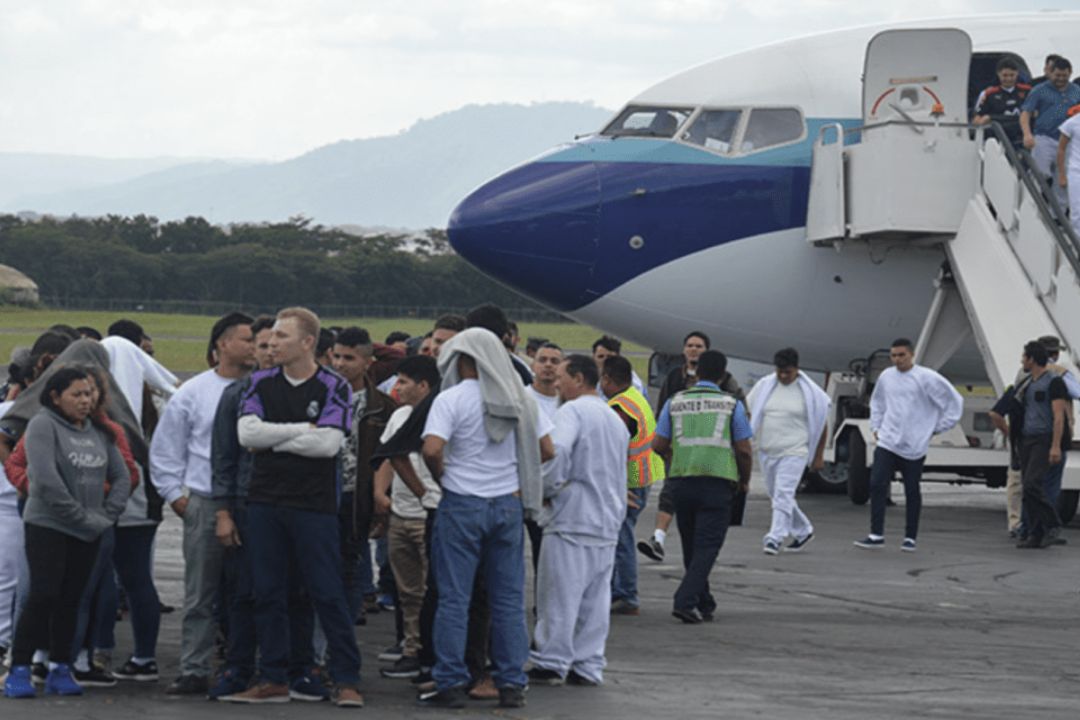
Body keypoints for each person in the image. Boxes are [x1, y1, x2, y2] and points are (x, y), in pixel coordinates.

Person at [230, 307, 364, 707]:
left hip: (314, 506)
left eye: (282, 336)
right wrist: (304, 430)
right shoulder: (259, 382)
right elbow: (246, 435)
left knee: (326, 592)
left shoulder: (334, 385)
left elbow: (328, 444)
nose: (272, 343)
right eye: (271, 336)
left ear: (308, 343)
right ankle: (273, 676)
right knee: (267, 591)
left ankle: (346, 678)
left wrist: (273, 439)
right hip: (265, 501)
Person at [418, 328, 555, 709]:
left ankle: (450, 681)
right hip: (507, 505)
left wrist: (444, 476)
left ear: (462, 360)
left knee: (454, 599)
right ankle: (511, 682)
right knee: (508, 599)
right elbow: (547, 449)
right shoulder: (521, 399)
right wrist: (517, 477)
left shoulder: (450, 399)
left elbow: (432, 449)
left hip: (461, 503)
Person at [3, 368, 131, 699]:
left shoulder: (100, 431)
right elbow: (45, 480)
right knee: (43, 594)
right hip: (48, 525)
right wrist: (82, 518)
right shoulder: (43, 425)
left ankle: (62, 666)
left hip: (89, 529)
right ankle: (20, 668)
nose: (85, 400)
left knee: (72, 598)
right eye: (77, 394)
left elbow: (123, 476)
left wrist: (106, 515)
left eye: (88, 393)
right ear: (55, 397)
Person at [150, 313, 255, 695]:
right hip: (205, 500)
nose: (254, 347)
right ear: (222, 344)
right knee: (200, 593)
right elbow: (166, 450)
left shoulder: (263, 388)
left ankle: (246, 664)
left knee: (251, 590)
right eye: (247, 339)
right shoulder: (194, 392)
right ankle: (194, 667)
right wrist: (177, 497)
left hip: (254, 502)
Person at [529, 354, 629, 686]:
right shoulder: (613, 418)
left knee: (559, 594)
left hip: (572, 516)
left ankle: (552, 657)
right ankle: (588, 662)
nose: (556, 384)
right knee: (595, 599)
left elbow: (557, 451)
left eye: (561, 377)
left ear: (578, 379)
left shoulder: (571, 412)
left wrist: (544, 489)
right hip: (606, 518)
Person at [207, 315, 280, 700]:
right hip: (245, 504)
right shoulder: (237, 394)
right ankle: (238, 665)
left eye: (273, 345)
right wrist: (223, 512)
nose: (266, 352)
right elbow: (223, 458)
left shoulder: (306, 391)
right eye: (260, 344)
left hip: (289, 506)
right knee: (242, 592)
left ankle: (283, 668)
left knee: (287, 592)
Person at [652, 350, 752, 624]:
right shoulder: (731, 405)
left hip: (682, 480)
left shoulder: (675, 402)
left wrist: (674, 457)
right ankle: (684, 601)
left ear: (696, 372)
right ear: (723, 375)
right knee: (707, 546)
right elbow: (744, 450)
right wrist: (744, 480)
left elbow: (658, 444)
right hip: (717, 482)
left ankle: (704, 601)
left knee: (691, 545)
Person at [640, 333, 747, 563]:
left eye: (698, 346)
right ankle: (659, 537)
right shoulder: (674, 377)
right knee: (669, 493)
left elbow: (740, 415)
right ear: (683, 350)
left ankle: (696, 560)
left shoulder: (726, 383)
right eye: (689, 345)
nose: (693, 349)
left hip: (713, 458)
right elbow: (663, 412)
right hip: (679, 452)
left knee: (695, 510)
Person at [854, 339, 963, 552]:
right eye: (894, 356)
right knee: (877, 483)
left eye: (902, 355)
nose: (897, 360)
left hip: (914, 445)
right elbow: (878, 402)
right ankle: (876, 534)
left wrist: (935, 429)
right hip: (888, 441)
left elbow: (954, 402)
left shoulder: (927, 378)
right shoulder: (886, 376)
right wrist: (876, 426)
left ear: (911, 355)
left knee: (911, 489)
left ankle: (910, 537)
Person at [374, 355, 442, 679]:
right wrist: (380, 493)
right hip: (400, 515)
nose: (397, 388)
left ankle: (434, 652)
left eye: (403, 382)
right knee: (408, 592)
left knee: (433, 591)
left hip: (428, 515)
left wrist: (429, 496)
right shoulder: (399, 416)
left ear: (424, 385)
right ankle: (411, 648)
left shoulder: (440, 415)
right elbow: (388, 457)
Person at [331, 328, 397, 630]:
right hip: (320, 493)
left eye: (349, 358)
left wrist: (381, 501)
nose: (340, 364)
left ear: (368, 362)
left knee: (352, 564)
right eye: (336, 356)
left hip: (357, 495)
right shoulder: (321, 395)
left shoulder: (383, 407)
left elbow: (389, 457)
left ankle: (345, 628)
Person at [746, 348, 831, 555]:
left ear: (797, 369)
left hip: (795, 450)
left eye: (788, 372)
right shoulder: (764, 386)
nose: (783, 376)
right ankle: (803, 530)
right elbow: (749, 411)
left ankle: (774, 538)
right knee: (776, 495)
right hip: (767, 450)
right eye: (780, 372)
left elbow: (822, 423)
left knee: (784, 493)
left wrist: (819, 455)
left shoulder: (811, 392)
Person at [600, 355, 664, 616]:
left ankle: (626, 594)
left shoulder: (620, 406)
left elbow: (614, 448)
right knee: (622, 534)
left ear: (607, 379)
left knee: (621, 536)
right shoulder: (636, 397)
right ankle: (620, 591)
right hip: (644, 475)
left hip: (630, 480)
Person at [1013, 341, 1069, 548]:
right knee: (1027, 490)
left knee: (1032, 484)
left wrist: (1055, 445)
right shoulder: (1027, 383)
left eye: (1024, 357)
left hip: (1043, 438)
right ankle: (1035, 534)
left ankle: (1052, 523)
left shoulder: (1054, 382)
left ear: (1032, 359)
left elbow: (1058, 417)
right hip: (1027, 439)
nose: (1022, 361)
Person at [1021, 55, 1080, 209]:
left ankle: (1057, 214)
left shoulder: (1076, 91)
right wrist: (1027, 134)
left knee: (1064, 177)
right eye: (1057, 75)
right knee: (1040, 173)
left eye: (1064, 75)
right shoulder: (1039, 90)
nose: (1061, 79)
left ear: (1070, 73)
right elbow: (1026, 113)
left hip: (1067, 141)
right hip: (1044, 137)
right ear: (1050, 73)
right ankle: (1029, 206)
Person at [973, 57, 1032, 145]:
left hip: (1022, 136)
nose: (1008, 79)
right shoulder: (989, 94)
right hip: (998, 137)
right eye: (1005, 75)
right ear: (998, 74)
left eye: (1012, 75)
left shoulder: (1027, 91)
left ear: (1017, 74)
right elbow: (977, 118)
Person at [1057, 105, 1080, 236]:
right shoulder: (1072, 123)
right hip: (1076, 171)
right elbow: (1061, 149)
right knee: (1077, 210)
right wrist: (1062, 174)